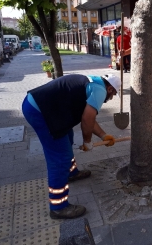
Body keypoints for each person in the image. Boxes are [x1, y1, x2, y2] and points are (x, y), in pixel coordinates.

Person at [22, 74, 120, 219]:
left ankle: (71, 173)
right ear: (110, 88)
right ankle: (58, 207)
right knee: (60, 158)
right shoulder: (100, 90)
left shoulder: (93, 82)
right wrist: (88, 142)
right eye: (112, 95)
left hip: (45, 107)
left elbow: (88, 116)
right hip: (41, 111)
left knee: (67, 139)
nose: (110, 99)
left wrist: (103, 135)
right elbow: (87, 119)